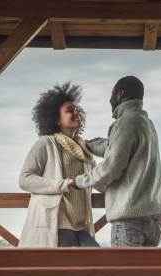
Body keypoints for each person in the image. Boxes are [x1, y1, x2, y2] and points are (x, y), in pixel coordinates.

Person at [67, 76, 161, 247]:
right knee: (145, 273)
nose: (110, 99)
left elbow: (111, 167)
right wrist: (89, 145)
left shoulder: (124, 123)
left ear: (121, 94)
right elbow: (118, 149)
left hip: (130, 222)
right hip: (155, 220)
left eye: (112, 94)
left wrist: (78, 181)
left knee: (125, 274)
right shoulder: (146, 124)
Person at [18, 82, 100, 247]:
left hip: (81, 224)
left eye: (77, 109)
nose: (76, 112)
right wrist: (63, 184)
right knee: (74, 270)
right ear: (56, 119)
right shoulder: (46, 144)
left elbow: (97, 179)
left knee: (98, 263)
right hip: (57, 223)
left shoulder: (84, 150)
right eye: (70, 110)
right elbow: (25, 179)